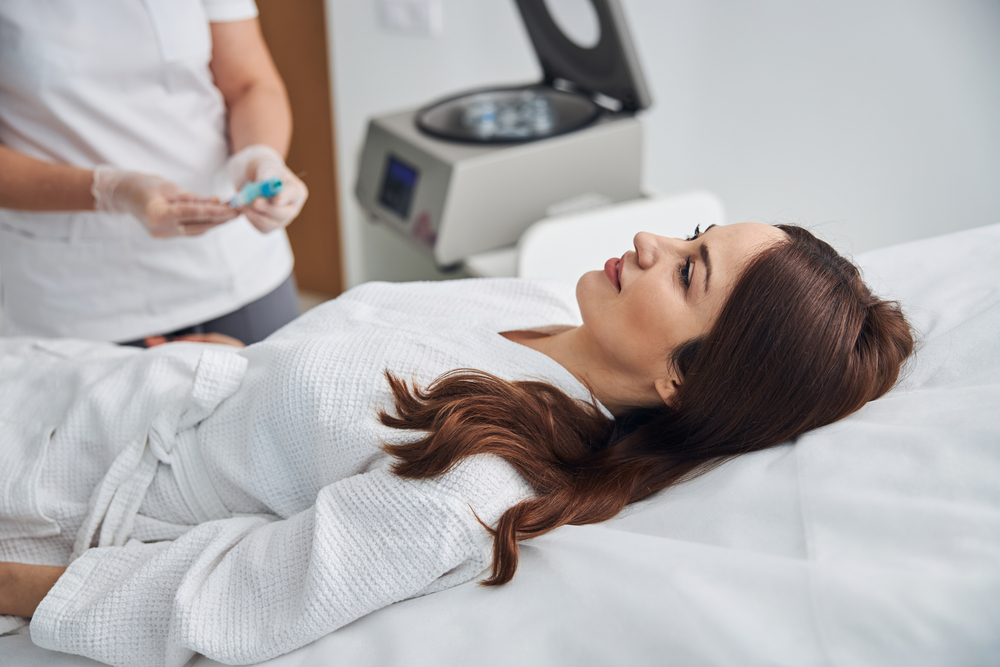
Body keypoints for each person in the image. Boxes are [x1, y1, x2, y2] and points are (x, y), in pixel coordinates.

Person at [0, 223, 913, 667]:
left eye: (686, 269)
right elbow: (335, 372)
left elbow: (223, 600)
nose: (649, 238)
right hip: (93, 389)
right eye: (694, 237)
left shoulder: (481, 482)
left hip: (53, 493)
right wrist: (240, 360)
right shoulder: (532, 312)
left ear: (685, 376)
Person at [0, 0, 308, 347]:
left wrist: (259, 156)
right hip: (76, 295)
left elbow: (250, 83)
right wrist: (111, 190)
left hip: (233, 261)